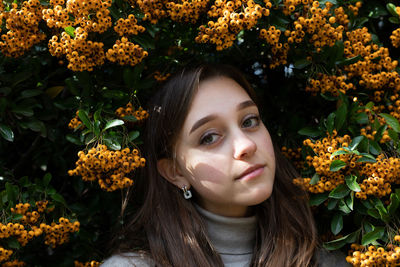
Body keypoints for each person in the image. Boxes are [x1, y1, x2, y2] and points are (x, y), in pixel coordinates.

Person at [101, 64, 350, 267]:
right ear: (175, 172)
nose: (246, 145)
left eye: (249, 121)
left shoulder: (327, 263)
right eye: (209, 137)